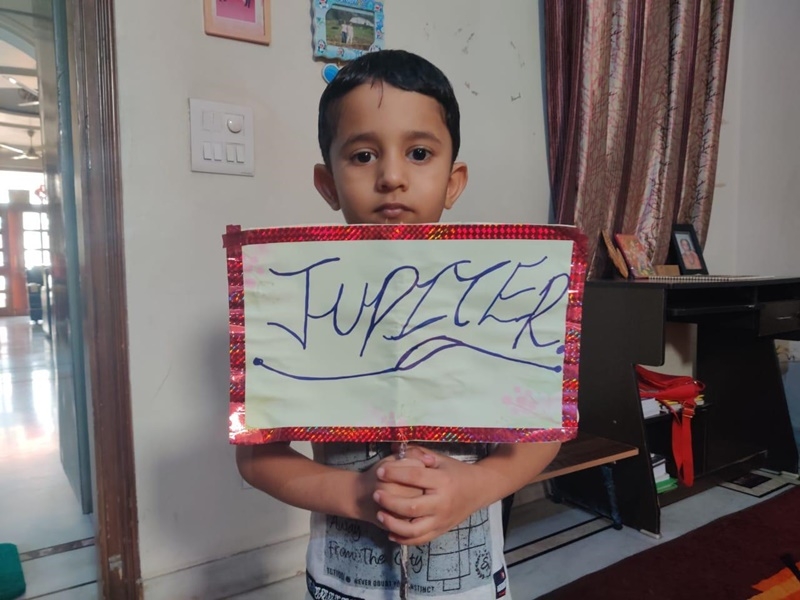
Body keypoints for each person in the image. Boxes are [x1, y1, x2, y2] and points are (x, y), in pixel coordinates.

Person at [236, 49, 562, 600]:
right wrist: (356, 495)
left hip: (470, 585)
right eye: (363, 155)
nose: (391, 177)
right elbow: (256, 457)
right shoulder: (292, 299)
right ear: (328, 183)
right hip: (344, 583)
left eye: (419, 153)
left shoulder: (501, 291)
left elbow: (543, 434)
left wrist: (475, 485)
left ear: (453, 180)